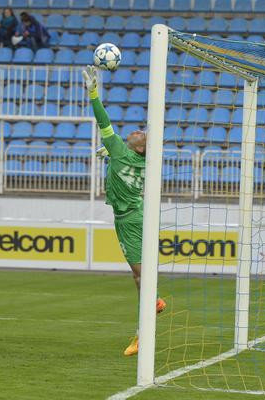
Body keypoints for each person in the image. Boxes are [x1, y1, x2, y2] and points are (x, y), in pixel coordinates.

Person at [83, 66, 166, 357]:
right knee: (138, 277)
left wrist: (94, 94)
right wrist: (109, 156)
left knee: (141, 277)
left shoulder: (120, 149)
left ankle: (145, 329)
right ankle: (151, 304)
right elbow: (120, 157)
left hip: (130, 219)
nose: (137, 131)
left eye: (140, 134)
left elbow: (103, 121)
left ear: (140, 147)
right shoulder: (135, 158)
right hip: (138, 213)